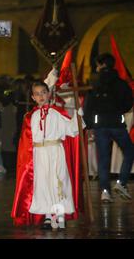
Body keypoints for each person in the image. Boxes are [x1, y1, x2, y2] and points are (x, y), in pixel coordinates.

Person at [12, 81, 82, 230]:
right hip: (39, 155)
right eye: (37, 94)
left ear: (49, 94)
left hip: (55, 151)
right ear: (33, 97)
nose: (41, 96)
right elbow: (26, 140)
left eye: (43, 92)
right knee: (42, 184)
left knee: (58, 182)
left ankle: (59, 217)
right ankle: (48, 217)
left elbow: (71, 130)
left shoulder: (57, 113)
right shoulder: (30, 116)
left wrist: (78, 116)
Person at [83, 53, 134, 202]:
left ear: (102, 65)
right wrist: (119, 110)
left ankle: (105, 191)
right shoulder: (121, 83)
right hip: (117, 123)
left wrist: (89, 125)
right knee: (129, 151)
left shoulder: (94, 83)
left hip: (100, 125)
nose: (97, 68)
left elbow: (88, 106)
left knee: (103, 159)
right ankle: (122, 183)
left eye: (98, 65)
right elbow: (129, 102)